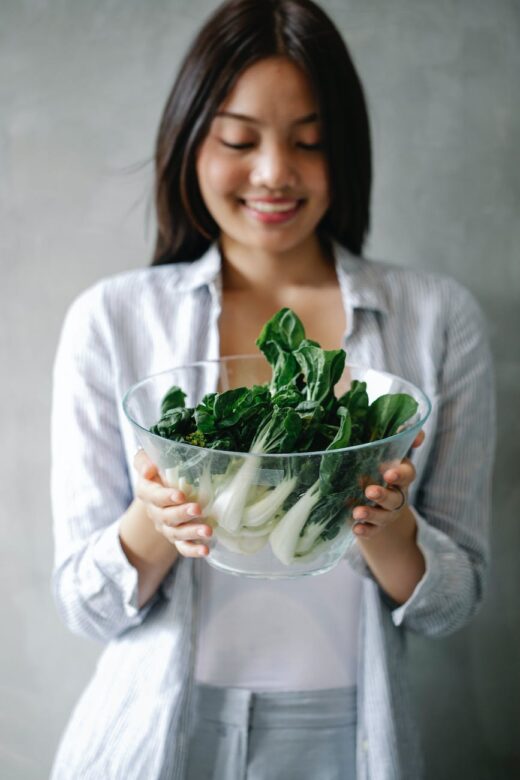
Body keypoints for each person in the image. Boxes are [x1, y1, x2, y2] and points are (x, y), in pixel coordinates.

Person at [49, 0, 495, 778]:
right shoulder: (111, 321)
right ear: (191, 142)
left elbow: (455, 605)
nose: (274, 173)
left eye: (310, 142)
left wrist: (385, 529)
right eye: (237, 139)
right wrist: (158, 516)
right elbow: (85, 607)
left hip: (353, 742)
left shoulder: (437, 318)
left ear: (345, 151)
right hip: (154, 739)